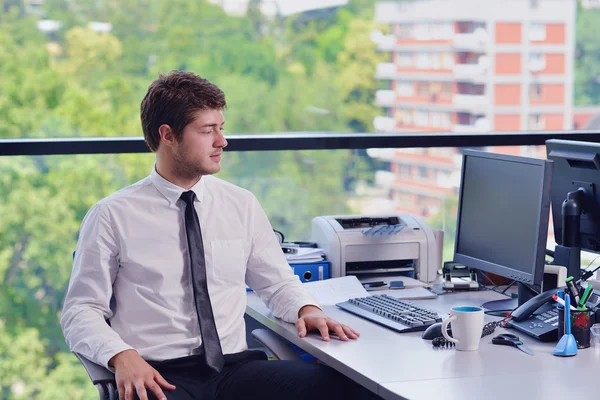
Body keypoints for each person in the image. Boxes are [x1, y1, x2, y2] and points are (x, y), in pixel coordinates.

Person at [61, 70, 381, 400]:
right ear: (168, 136)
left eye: (221, 128)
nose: (222, 141)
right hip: (157, 374)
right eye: (207, 131)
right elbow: (80, 311)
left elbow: (275, 283)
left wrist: (306, 309)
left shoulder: (240, 204)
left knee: (351, 389)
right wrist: (121, 356)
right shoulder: (112, 215)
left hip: (234, 370)